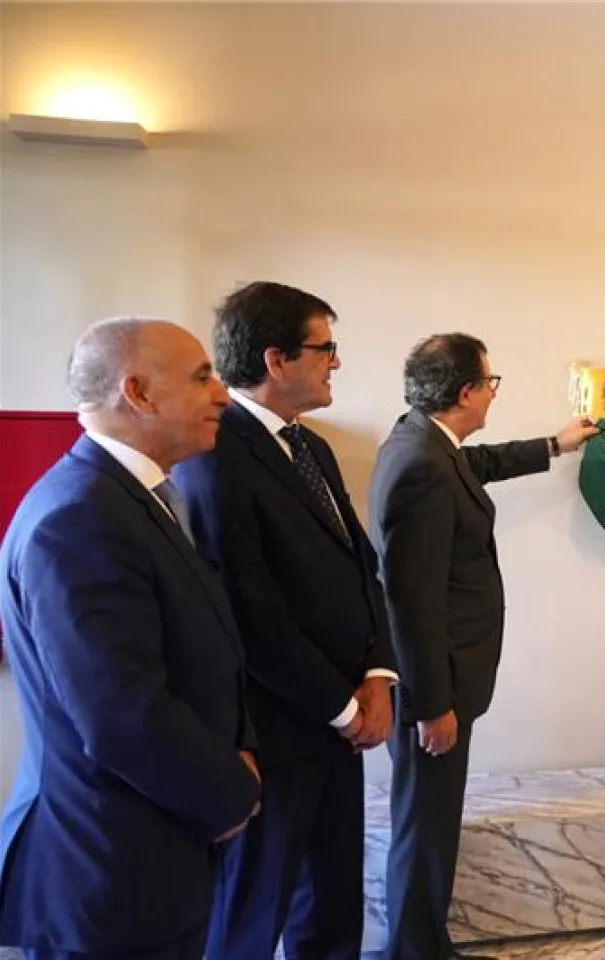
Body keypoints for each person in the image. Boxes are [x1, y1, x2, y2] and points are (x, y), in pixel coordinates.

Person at [0, 319, 261, 960]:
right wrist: (231, 789)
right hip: (110, 867)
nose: (223, 394)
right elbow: (121, 714)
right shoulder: (81, 516)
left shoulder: (130, 499)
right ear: (138, 394)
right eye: (202, 376)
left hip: (150, 849)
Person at [172, 282, 398, 960]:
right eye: (325, 348)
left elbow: (363, 570)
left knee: (332, 908)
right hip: (274, 732)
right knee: (253, 915)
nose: (336, 363)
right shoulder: (216, 455)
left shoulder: (311, 448)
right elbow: (246, 609)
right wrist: (340, 706)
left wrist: (377, 675)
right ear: (277, 358)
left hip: (340, 724)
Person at [368, 334, 595, 960]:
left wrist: (557, 443)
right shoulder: (422, 466)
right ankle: (415, 951)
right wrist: (429, 704)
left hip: (444, 677)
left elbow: (481, 464)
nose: (493, 392)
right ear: (466, 391)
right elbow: (409, 602)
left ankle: (423, 944)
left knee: (431, 822)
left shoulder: (423, 442)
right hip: (433, 685)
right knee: (425, 825)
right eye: (491, 382)